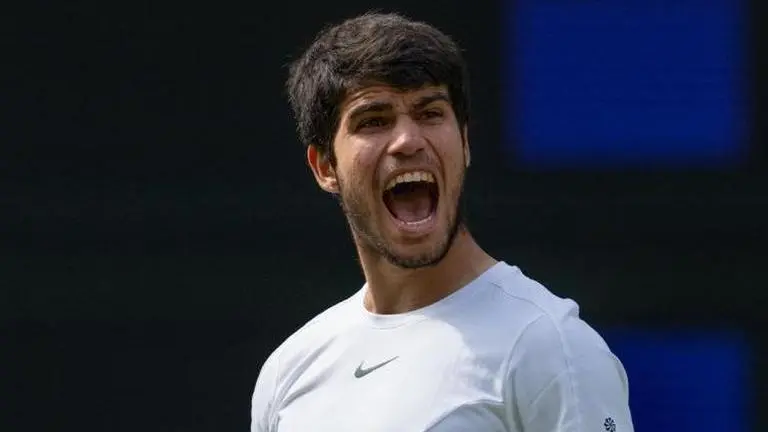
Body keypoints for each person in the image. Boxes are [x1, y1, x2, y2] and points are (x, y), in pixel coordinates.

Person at [251, 12, 634, 432]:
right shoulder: (290, 370)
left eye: (430, 113)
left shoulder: (550, 346)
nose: (408, 140)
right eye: (374, 120)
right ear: (325, 166)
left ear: (465, 143)